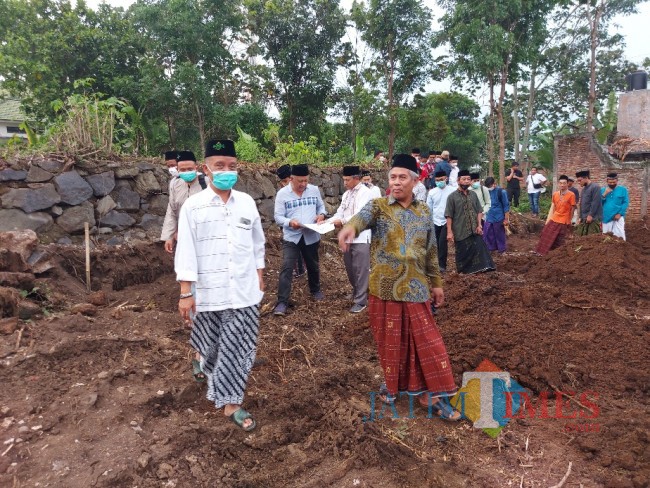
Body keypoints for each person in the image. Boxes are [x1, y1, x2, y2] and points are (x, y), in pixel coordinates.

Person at [337, 154, 461, 420]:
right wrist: (349, 229)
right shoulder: (379, 206)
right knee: (391, 345)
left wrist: (437, 284)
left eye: (402, 177)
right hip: (384, 289)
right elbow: (360, 218)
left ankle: (432, 395)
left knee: (428, 343)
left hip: (417, 289)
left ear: (415, 181)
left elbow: (430, 253)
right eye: (392, 177)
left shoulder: (424, 211)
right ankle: (394, 386)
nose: (396, 182)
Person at [176, 139, 265, 432]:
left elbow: (257, 243)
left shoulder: (247, 203)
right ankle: (211, 374)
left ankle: (231, 403)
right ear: (206, 169)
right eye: (219, 166)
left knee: (238, 349)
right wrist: (186, 293)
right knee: (212, 349)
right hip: (209, 294)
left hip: (243, 292)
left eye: (232, 166)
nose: (227, 171)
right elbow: (185, 249)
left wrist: (259, 274)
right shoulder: (193, 206)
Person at [273, 164, 327, 315]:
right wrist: (290, 222)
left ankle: (315, 290)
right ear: (291, 179)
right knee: (287, 267)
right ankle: (282, 302)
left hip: (311, 234)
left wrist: (321, 215)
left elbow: (321, 207)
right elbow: (277, 217)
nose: (303, 184)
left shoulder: (314, 190)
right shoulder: (282, 194)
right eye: (300, 181)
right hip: (292, 236)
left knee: (313, 264)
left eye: (305, 181)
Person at [331, 166, 372, 313]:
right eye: (344, 180)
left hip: (360, 236)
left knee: (361, 269)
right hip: (347, 237)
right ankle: (357, 292)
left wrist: (340, 222)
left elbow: (359, 214)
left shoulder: (365, 193)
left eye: (347, 180)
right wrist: (328, 221)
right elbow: (340, 211)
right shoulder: (347, 194)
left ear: (356, 178)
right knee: (350, 268)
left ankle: (361, 301)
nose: (345, 183)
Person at [445, 169, 496, 274]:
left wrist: (479, 225)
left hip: (474, 229)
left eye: (468, 179)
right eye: (464, 179)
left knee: (480, 248)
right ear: (458, 181)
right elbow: (449, 215)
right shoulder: (452, 197)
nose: (467, 181)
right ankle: (464, 272)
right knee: (462, 252)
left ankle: (483, 268)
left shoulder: (473, 194)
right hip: (460, 230)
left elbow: (479, 211)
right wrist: (449, 232)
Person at [161, 150, 206, 255]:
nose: (186, 172)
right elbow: (172, 210)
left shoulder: (206, 182)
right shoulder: (175, 183)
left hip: (204, 235)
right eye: (183, 169)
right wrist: (169, 236)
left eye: (190, 169)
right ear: (178, 169)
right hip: (183, 235)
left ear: (196, 167)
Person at [276, 164, 306, 277]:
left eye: (286, 181)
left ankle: (300, 270)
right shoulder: (283, 193)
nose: (284, 184)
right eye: (282, 182)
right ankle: (295, 269)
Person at [534, 175, 576, 255]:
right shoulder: (555, 194)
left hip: (564, 220)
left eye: (564, 183)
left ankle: (559, 255)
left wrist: (569, 221)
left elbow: (572, 209)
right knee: (545, 233)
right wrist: (551, 217)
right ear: (558, 184)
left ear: (567, 184)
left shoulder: (571, 195)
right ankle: (542, 252)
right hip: (554, 218)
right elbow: (554, 207)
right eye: (560, 183)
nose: (562, 185)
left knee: (560, 239)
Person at [426, 170, 455, 273]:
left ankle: (442, 265)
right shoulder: (432, 192)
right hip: (435, 220)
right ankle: (435, 264)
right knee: (436, 243)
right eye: (437, 180)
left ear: (446, 178)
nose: (439, 182)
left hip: (447, 220)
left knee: (442, 242)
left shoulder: (453, 191)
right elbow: (429, 208)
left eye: (441, 180)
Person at [483, 177, 510, 254]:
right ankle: (491, 249)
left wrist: (506, 219)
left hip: (499, 217)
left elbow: (506, 206)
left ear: (494, 184)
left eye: (491, 186)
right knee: (488, 234)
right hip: (488, 217)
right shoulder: (486, 192)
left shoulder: (501, 192)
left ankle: (502, 250)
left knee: (499, 234)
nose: (490, 188)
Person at [601, 172, 629, 240]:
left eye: (614, 182)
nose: (612, 184)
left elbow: (625, 202)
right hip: (606, 217)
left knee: (620, 235)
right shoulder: (602, 190)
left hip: (618, 216)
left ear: (617, 181)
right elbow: (599, 203)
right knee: (606, 236)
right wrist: (605, 194)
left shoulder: (623, 190)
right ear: (607, 181)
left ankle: (622, 249)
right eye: (610, 182)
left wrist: (620, 213)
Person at [575, 170, 603, 236]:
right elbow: (581, 204)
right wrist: (580, 217)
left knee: (592, 239)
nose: (579, 182)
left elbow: (595, 202)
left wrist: (590, 215)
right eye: (578, 181)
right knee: (581, 238)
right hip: (584, 218)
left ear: (586, 178)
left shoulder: (595, 187)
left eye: (580, 180)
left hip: (593, 218)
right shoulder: (583, 190)